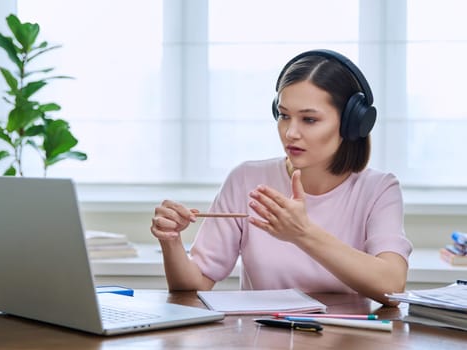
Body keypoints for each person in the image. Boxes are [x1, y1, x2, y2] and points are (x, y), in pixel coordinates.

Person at [150, 49, 412, 306]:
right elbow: (194, 285)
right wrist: (171, 241)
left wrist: (302, 233)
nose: (290, 133)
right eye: (284, 116)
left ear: (351, 123)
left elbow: (391, 286)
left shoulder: (379, 189)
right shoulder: (246, 179)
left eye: (309, 119)